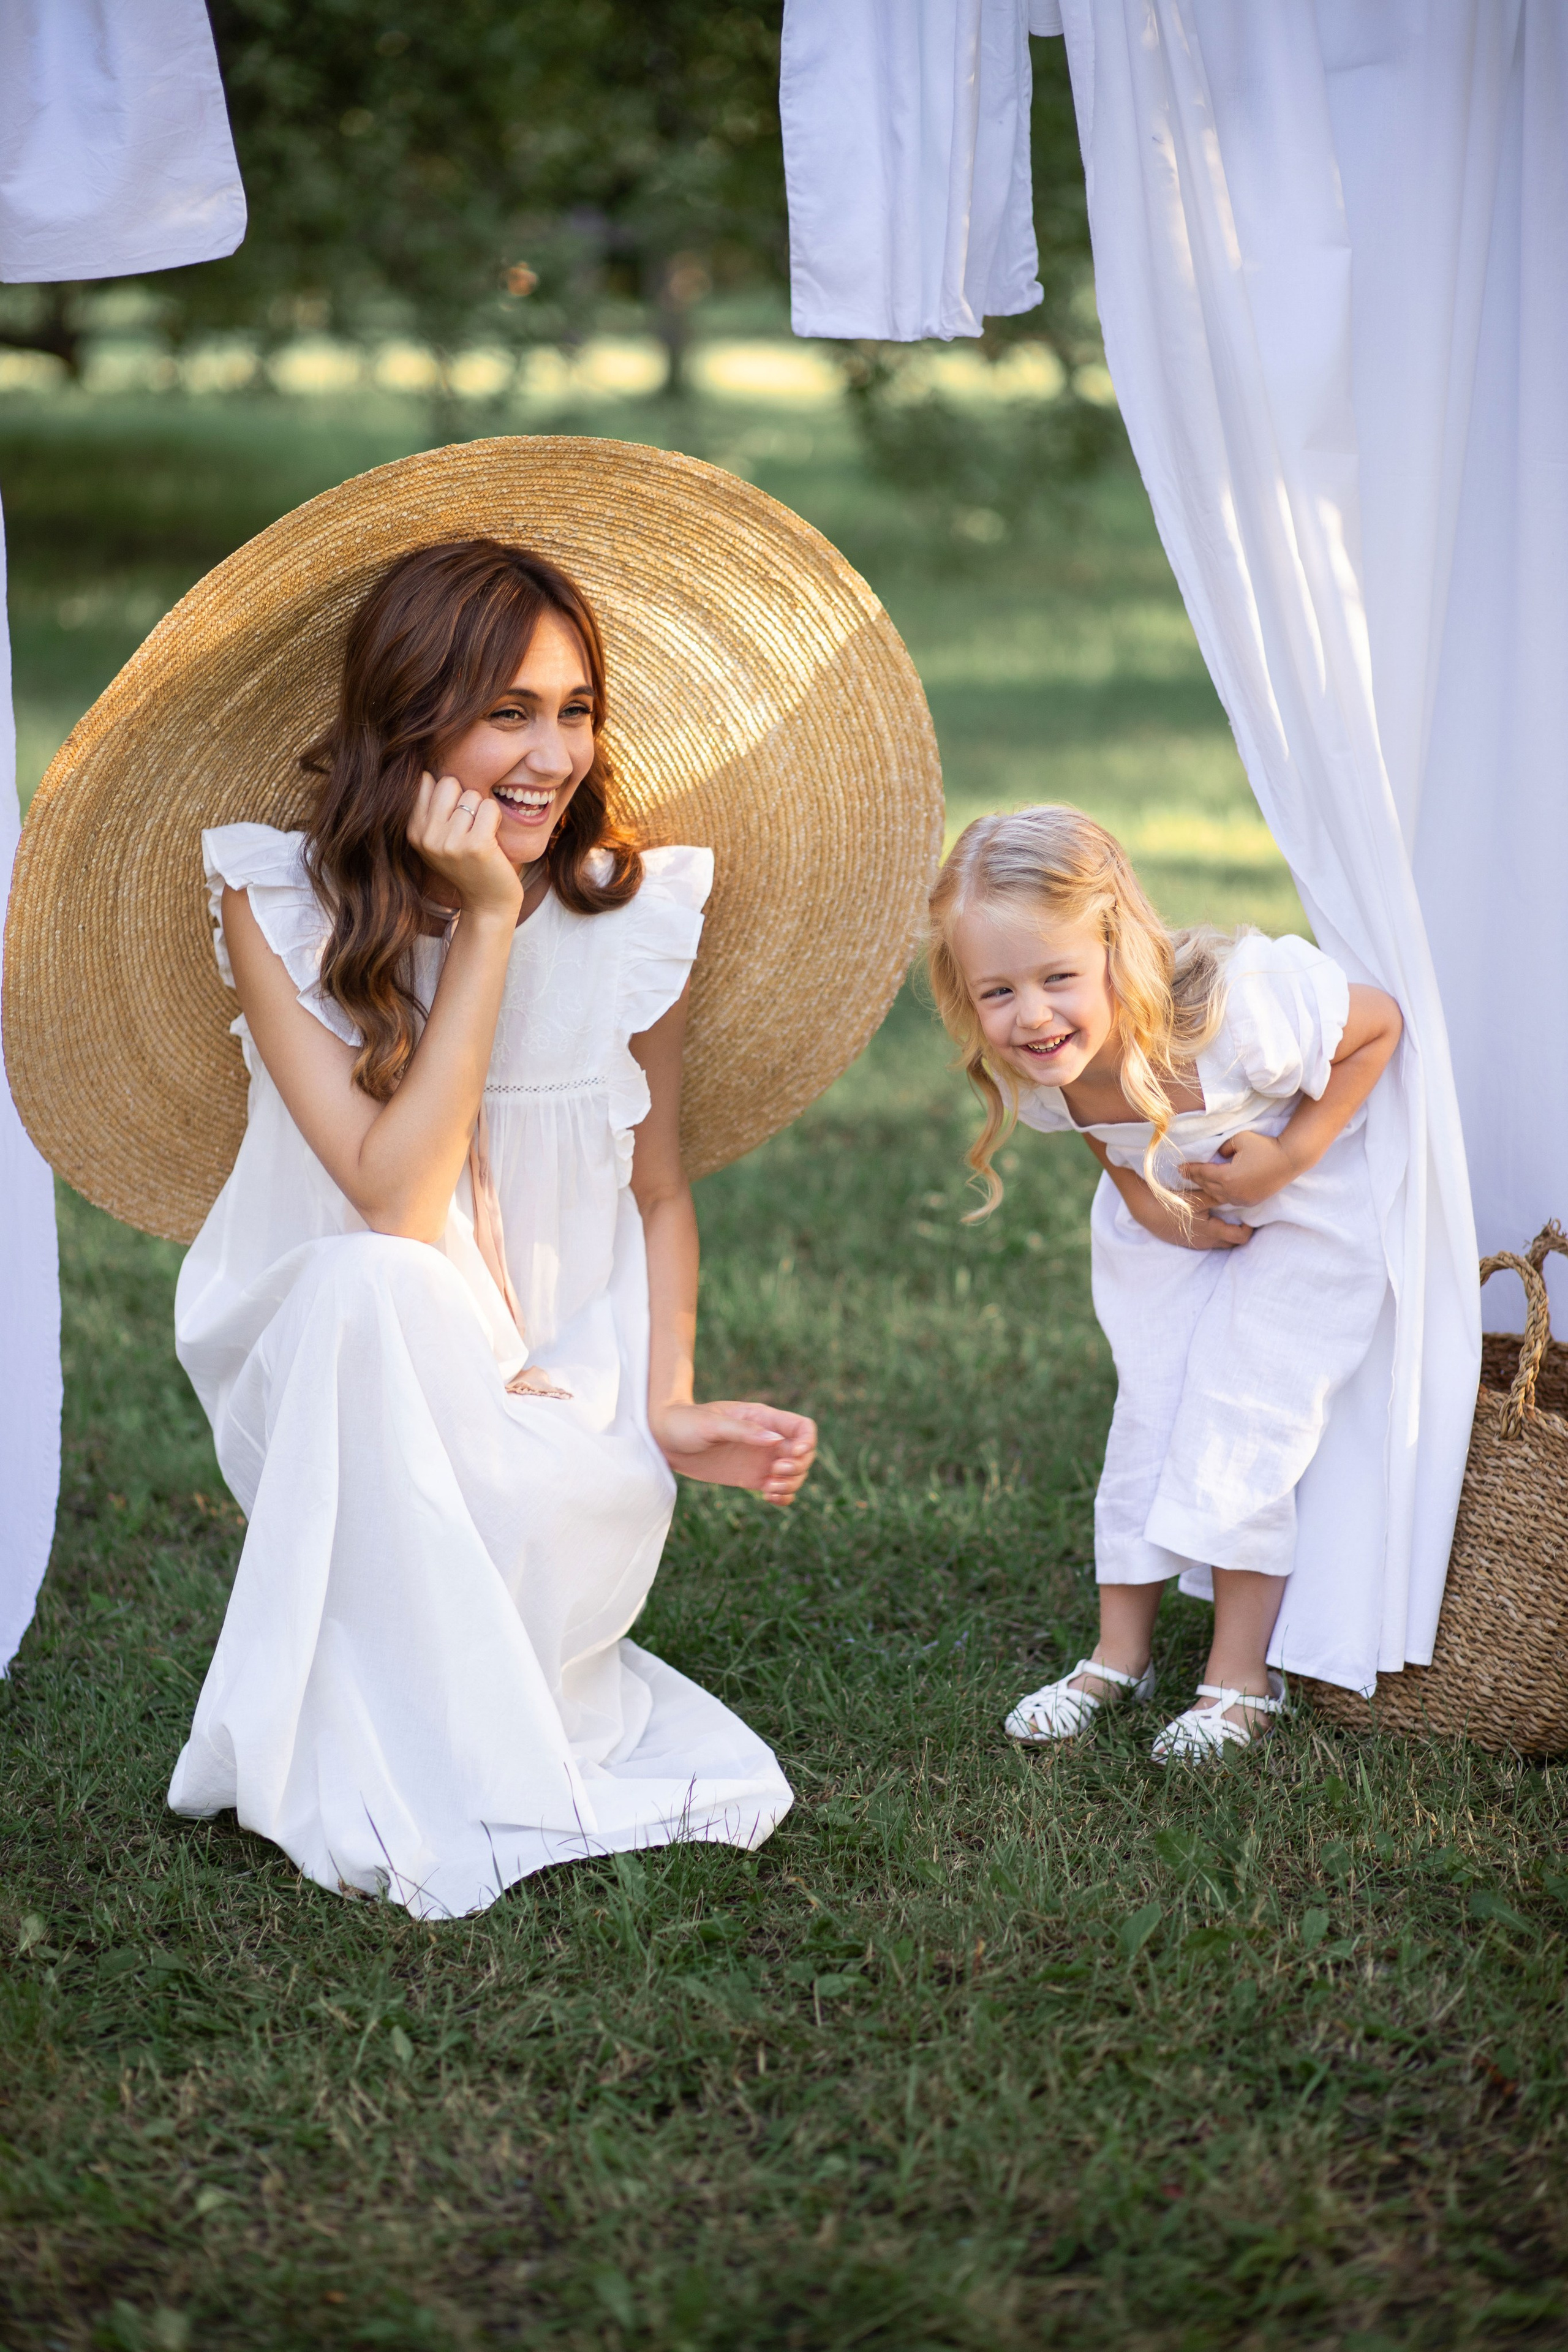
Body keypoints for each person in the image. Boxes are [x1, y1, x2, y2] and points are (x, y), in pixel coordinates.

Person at [167, 538, 816, 1915]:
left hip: (563, 1406)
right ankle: (397, 1734)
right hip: (348, 1386)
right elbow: (396, 1203)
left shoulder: (632, 914)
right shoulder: (276, 902)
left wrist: (671, 1404)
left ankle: (485, 1715)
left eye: (576, 711)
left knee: (394, 1298)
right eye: (506, 712)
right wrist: (484, 925)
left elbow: (656, 1191)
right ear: (409, 720)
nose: (553, 755)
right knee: (370, 1284)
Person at [928, 805, 1403, 1762]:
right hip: (1176, 1216)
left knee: (1242, 1403)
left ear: (1120, 949)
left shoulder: (1242, 1011)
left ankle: (1240, 1678)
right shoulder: (1042, 1067)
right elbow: (1105, 1134)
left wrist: (1288, 1156)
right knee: (1151, 1408)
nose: (1031, 1016)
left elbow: (1379, 1027)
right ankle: (1119, 1657)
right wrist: (1148, 1207)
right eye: (998, 992)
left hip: (1304, 1214)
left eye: (1058, 978)